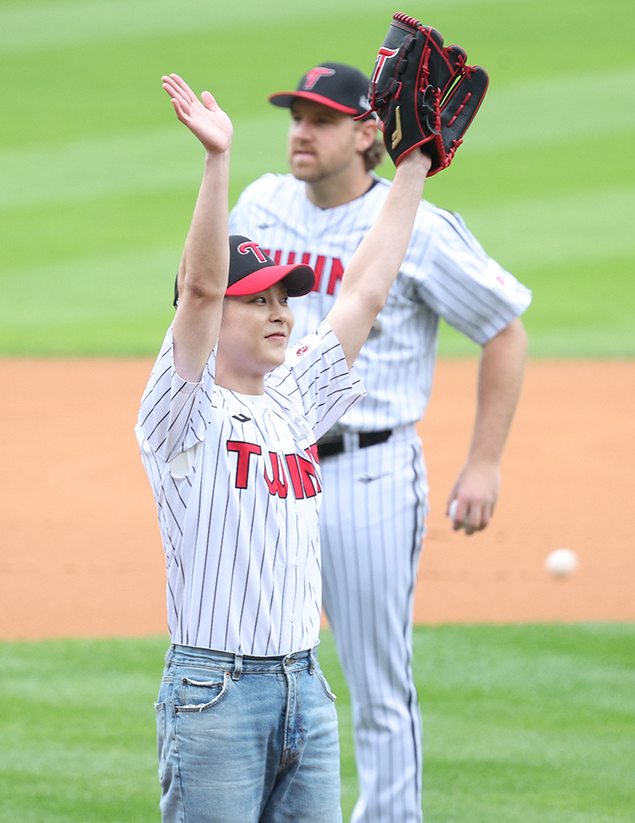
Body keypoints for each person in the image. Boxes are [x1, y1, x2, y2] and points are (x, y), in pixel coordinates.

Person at [229, 62, 532, 823]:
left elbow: (503, 327)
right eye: (296, 115)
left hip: (367, 470)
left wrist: (483, 462)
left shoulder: (418, 229)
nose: (301, 131)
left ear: (369, 133)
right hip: (267, 470)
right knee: (256, 668)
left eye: (321, 119)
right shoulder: (261, 203)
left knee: (375, 684)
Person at [135, 72, 432, 823]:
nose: (279, 312)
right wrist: (216, 162)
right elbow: (200, 289)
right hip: (216, 692)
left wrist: (413, 167)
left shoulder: (295, 401)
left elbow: (364, 290)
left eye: (282, 298)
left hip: (307, 686)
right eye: (256, 298)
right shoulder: (181, 412)